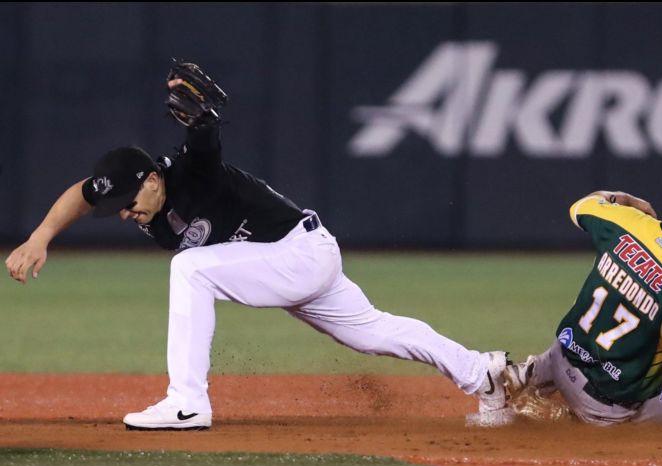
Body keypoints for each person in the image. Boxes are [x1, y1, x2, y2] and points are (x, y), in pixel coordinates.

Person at [5, 61, 514, 430]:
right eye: (116, 204)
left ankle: (186, 403)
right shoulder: (140, 194)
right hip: (296, 257)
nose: (123, 211)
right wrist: (40, 236)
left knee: (190, 269)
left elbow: (204, 139)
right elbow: (82, 193)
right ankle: (483, 372)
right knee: (373, 331)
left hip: (297, 254)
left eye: (127, 199)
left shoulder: (190, 172)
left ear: (153, 179)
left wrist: (203, 117)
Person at [505, 164, 662, 433]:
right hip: (601, 404)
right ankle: (567, 418)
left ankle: (534, 374)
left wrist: (625, 199)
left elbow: (580, 206)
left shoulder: (627, 221)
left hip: (560, 358)